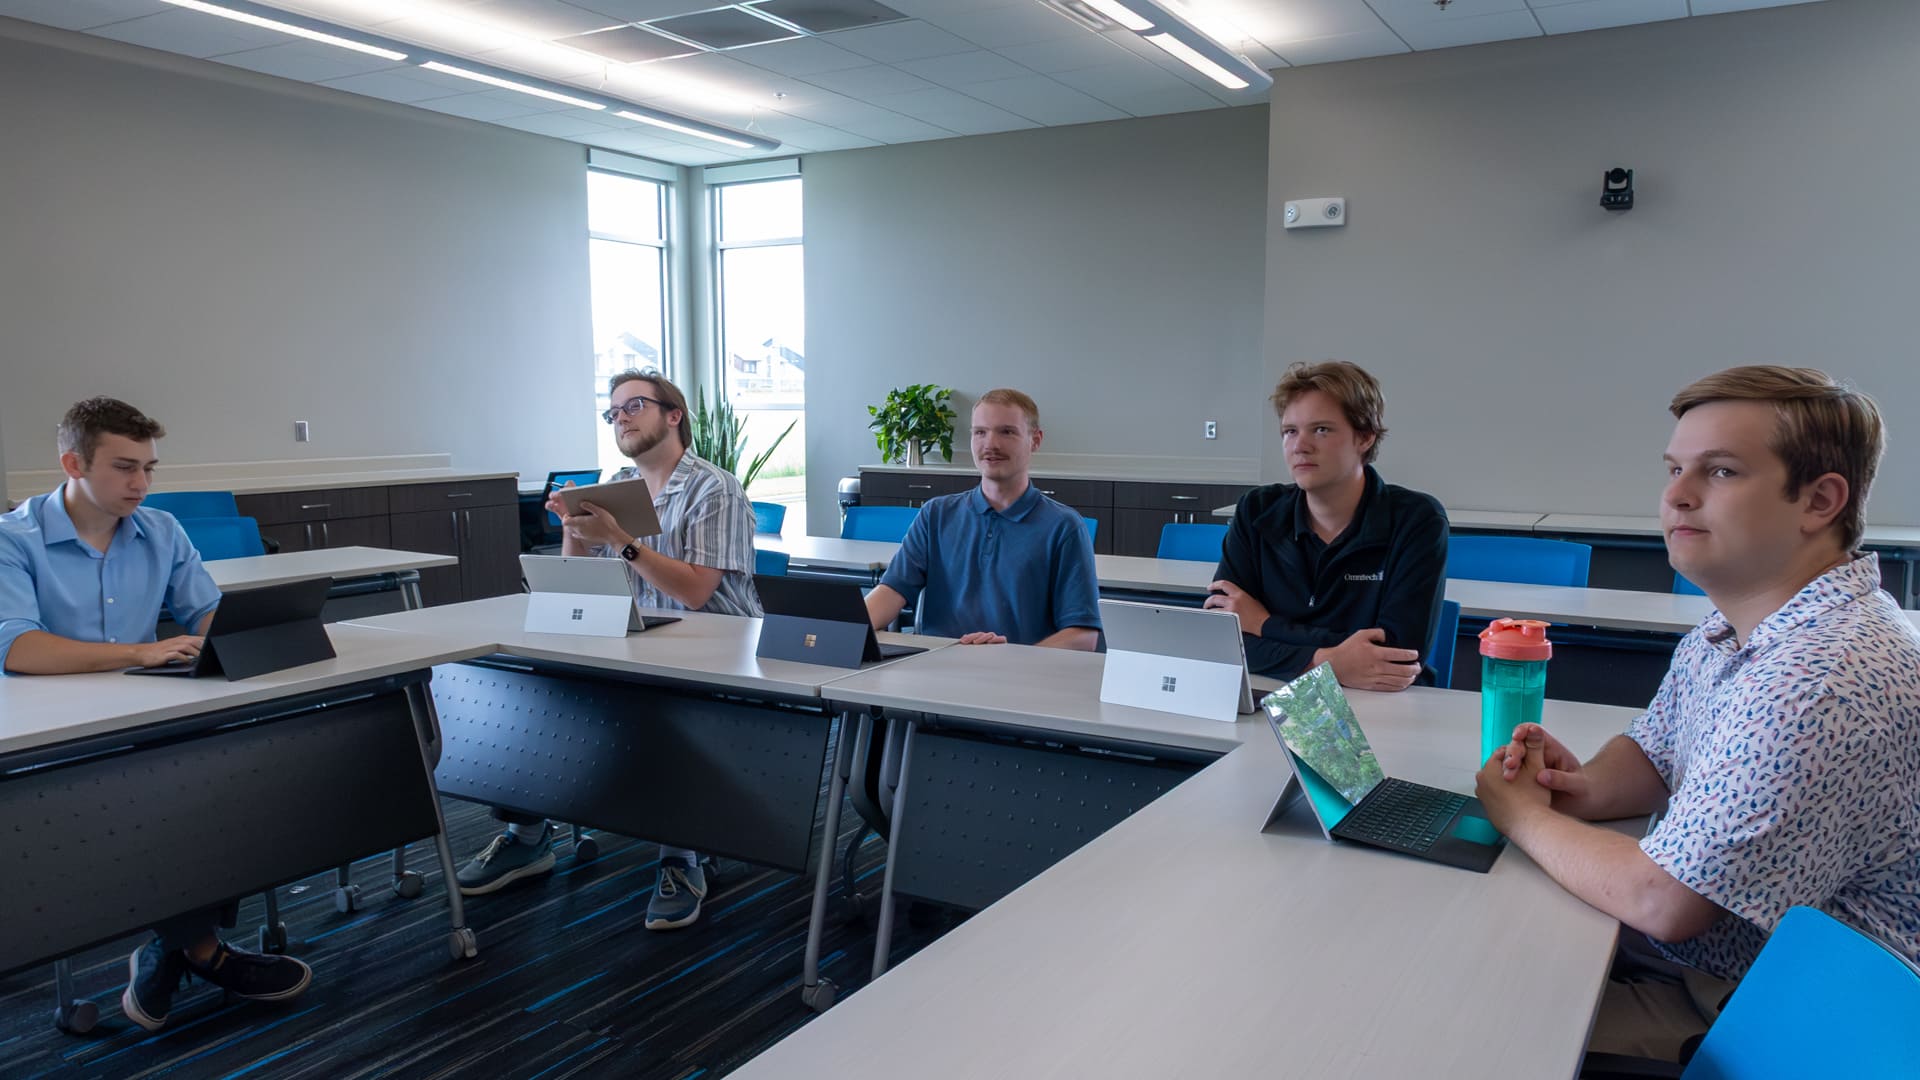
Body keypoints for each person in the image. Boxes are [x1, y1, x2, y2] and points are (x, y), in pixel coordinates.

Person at [1475, 366, 1920, 1061]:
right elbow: (1655, 750)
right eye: (1676, 468)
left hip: (1792, 1024)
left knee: (1474, 1024)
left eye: (1719, 472)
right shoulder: (1738, 623)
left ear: (1820, 500)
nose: (1676, 496)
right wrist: (1579, 789)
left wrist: (1522, 813)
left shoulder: (1816, 679)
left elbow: (1666, 903)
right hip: (1722, 969)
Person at [0, 397, 312, 1031]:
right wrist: (142, 650)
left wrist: (240, 632)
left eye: (149, 467)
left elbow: (205, 613)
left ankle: (173, 948)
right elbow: (18, 648)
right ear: (72, 464)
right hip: (48, 730)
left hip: (144, 714)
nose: (140, 484)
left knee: (240, 768)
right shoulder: (13, 539)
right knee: (165, 790)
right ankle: (204, 951)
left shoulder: (162, 529)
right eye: (123, 467)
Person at [457, 370, 759, 932]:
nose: (620, 417)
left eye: (634, 406)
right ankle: (528, 834)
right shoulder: (616, 484)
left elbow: (696, 591)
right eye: (613, 411)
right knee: (531, 684)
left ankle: (682, 856)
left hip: (716, 646)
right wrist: (574, 529)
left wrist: (620, 541)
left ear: (673, 416)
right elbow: (576, 582)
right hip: (634, 637)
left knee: (662, 703)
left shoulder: (713, 487)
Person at [1207, 361, 1447, 688]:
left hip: (1383, 706)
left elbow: (1395, 656)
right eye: (1290, 431)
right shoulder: (1256, 510)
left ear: (1364, 437)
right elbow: (1221, 636)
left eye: (1321, 429)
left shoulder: (1416, 519)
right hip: (1274, 692)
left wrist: (1264, 624)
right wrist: (1327, 662)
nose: (1300, 445)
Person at [864, 388, 1099, 650]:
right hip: (937, 670)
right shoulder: (936, 515)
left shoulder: (1064, 527)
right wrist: (844, 628)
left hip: (1021, 679)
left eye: (1007, 432)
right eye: (980, 432)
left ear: (1035, 440)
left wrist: (1013, 657)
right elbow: (891, 591)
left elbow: (1083, 635)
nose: (991, 445)